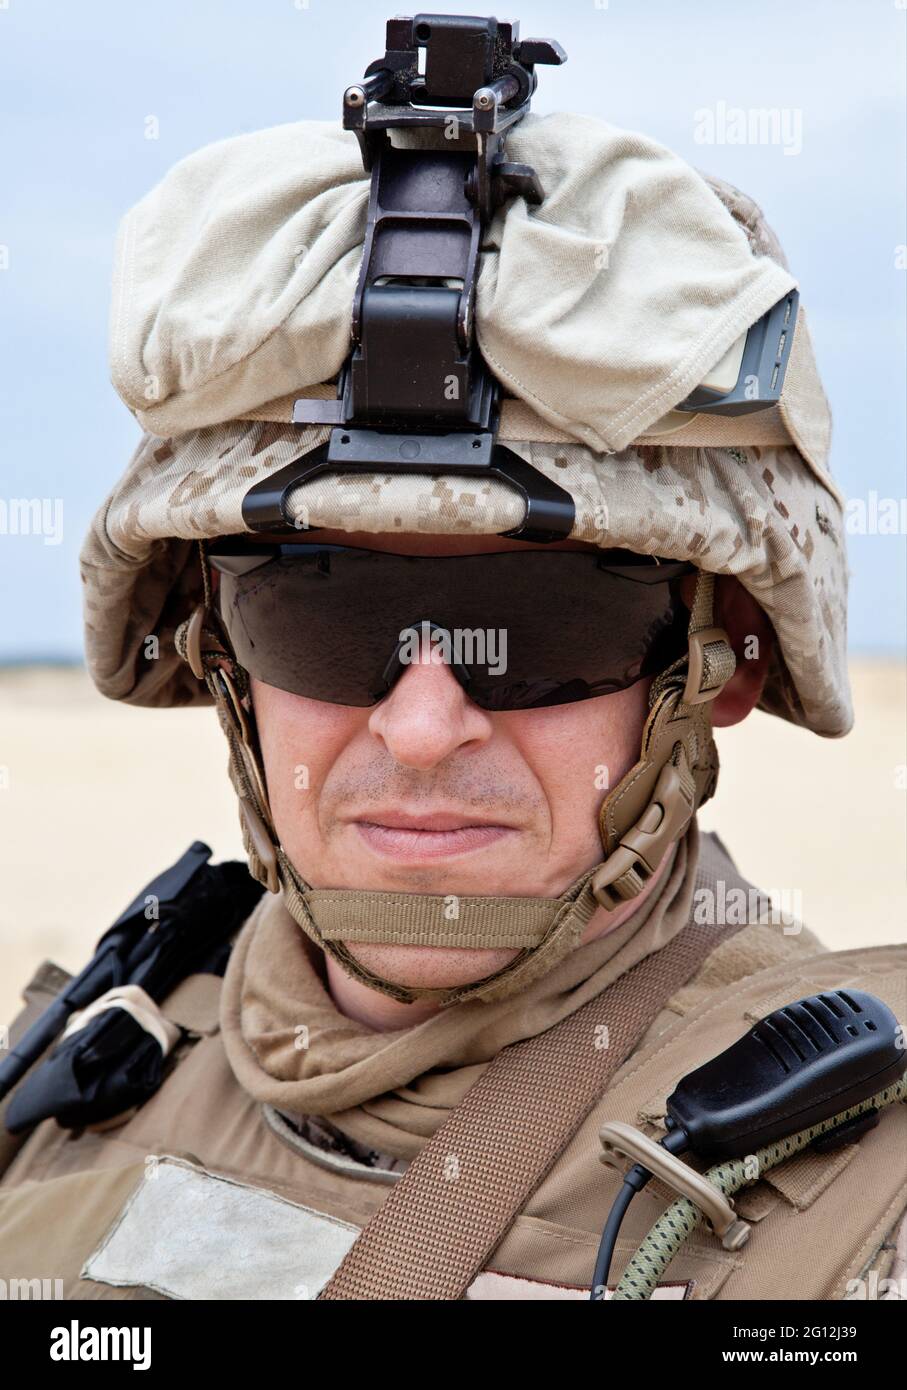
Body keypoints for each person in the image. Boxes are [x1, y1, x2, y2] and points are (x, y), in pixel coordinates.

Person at [0, 12, 904, 1303]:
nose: (424, 722)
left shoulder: (862, 1216)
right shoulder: (78, 1078)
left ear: (720, 663)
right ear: (219, 654)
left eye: (545, 628)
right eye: (324, 613)